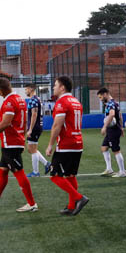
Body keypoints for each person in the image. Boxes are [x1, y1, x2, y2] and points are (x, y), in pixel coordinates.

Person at [0, 78, 38, 212]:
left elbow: (6, 122)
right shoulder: (19, 99)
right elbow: (23, 121)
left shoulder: (9, 102)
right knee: (3, 170)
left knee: (18, 172)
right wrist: (22, 138)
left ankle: (32, 204)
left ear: (1, 89)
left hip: (11, 143)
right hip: (14, 141)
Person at [45, 76, 89, 215]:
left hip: (66, 144)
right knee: (70, 175)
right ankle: (71, 206)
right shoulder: (76, 101)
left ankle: (79, 198)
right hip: (77, 143)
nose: (53, 87)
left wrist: (50, 144)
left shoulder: (62, 102)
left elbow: (57, 125)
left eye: (55, 85)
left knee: (54, 175)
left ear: (62, 87)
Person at [97, 87, 126, 177]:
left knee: (116, 150)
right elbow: (120, 115)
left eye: (100, 97)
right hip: (114, 129)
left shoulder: (110, 104)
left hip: (113, 130)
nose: (100, 99)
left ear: (105, 94)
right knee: (104, 148)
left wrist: (104, 127)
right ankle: (109, 169)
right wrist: (121, 127)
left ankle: (122, 172)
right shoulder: (115, 103)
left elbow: (112, 114)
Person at [24, 83, 50, 177]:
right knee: (31, 149)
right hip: (36, 126)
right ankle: (47, 164)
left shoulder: (34, 100)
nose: (25, 91)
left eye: (26, 89)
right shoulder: (37, 99)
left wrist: (30, 129)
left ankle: (36, 172)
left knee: (32, 149)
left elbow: (34, 115)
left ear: (31, 89)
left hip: (35, 127)